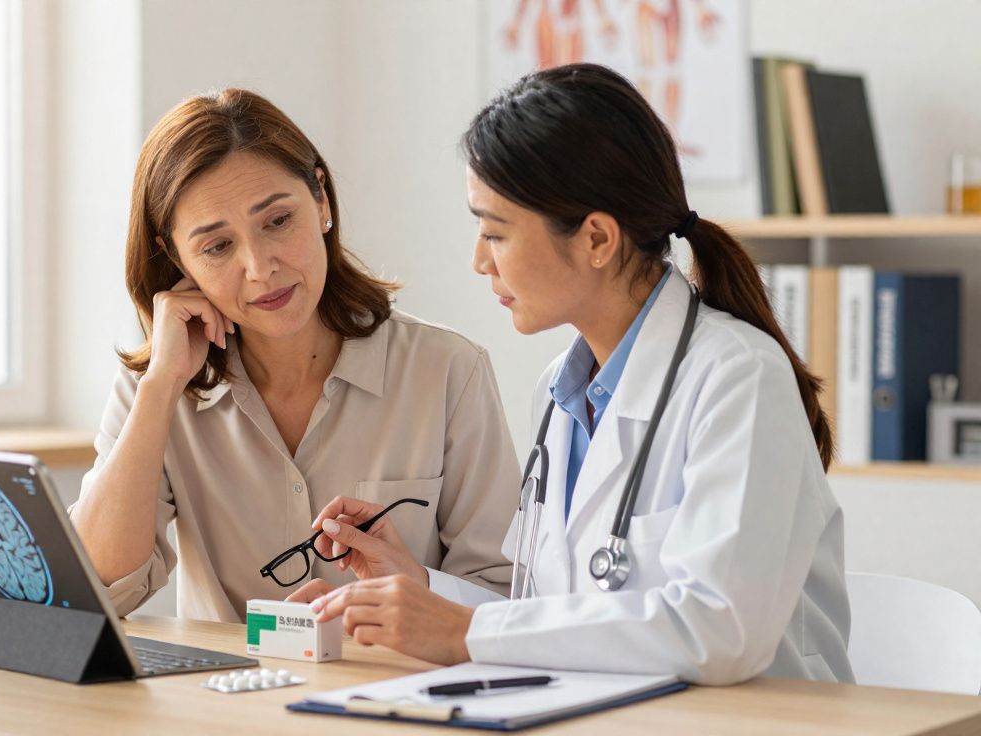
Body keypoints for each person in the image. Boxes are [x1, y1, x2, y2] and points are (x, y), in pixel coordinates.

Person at [297, 64, 854, 685]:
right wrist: (418, 587)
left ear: (596, 238)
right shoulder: (562, 392)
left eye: (494, 232)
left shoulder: (739, 378)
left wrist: (461, 632)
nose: (478, 261)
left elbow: (717, 631)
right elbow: (556, 622)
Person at [68, 88, 520, 623]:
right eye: (217, 247)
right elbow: (95, 590)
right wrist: (161, 387)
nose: (260, 267)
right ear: (176, 257)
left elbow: (505, 601)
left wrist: (407, 587)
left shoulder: (447, 370)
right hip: (223, 703)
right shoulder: (157, 387)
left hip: (397, 697)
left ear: (322, 202)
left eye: (278, 221)